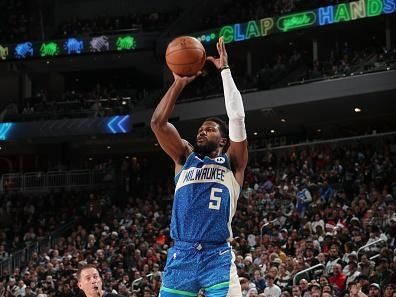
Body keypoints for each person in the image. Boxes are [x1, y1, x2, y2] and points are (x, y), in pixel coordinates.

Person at [151, 36, 248, 296]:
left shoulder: (233, 163)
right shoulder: (184, 157)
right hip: (181, 255)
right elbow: (158, 123)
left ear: (224, 140)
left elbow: (237, 116)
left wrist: (225, 71)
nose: (201, 132)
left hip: (217, 255)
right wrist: (178, 84)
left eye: (209, 129)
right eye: (200, 129)